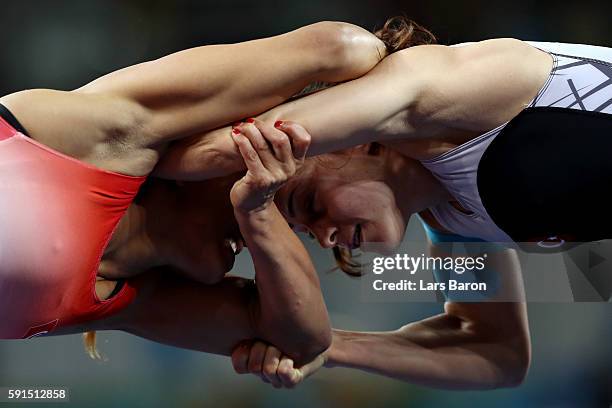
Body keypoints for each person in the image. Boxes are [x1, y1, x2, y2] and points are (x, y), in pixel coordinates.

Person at [154, 17, 611, 388]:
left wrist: (119, 157)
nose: (325, 235)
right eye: (306, 233)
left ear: (350, 141)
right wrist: (323, 346)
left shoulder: (445, 88)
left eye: (307, 203)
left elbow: (242, 142)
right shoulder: (457, 220)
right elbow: (494, 352)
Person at [0, 21, 387, 340]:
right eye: (291, 207)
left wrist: (256, 210)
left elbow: (305, 341)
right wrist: (220, 150)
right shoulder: (109, 135)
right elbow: (341, 48)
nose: (267, 235)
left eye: (290, 230)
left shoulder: (135, 304)